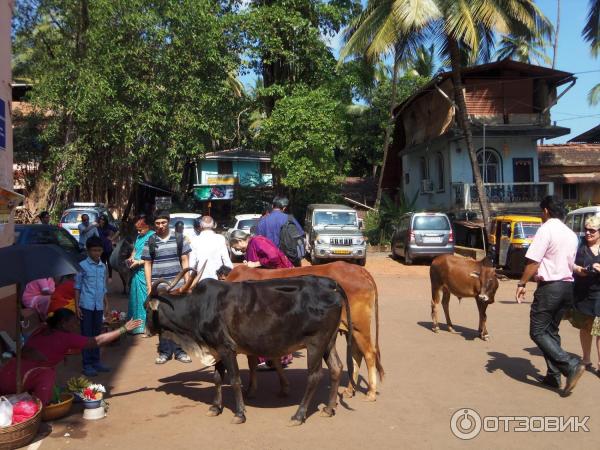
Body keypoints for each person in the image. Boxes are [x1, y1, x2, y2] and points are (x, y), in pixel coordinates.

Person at [515, 196, 585, 395]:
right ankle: (553, 377)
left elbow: (533, 261)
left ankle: (569, 365)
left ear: (545, 211)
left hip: (550, 287)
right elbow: (570, 263)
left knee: (537, 331)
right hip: (566, 287)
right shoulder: (571, 234)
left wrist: (521, 283)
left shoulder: (546, 230)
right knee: (551, 331)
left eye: (541, 212)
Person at [0, 308, 142, 405]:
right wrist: (123, 329)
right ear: (63, 324)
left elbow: (36, 350)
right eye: (73, 322)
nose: (76, 325)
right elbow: (96, 341)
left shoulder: (42, 328)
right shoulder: (65, 337)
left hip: (8, 371)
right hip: (18, 380)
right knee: (44, 389)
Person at [229, 229, 293, 369]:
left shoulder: (257, 241)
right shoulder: (252, 244)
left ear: (240, 241)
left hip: (280, 281)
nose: (237, 250)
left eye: (236, 247)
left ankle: (277, 357)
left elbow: (274, 257)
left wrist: (255, 264)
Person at [142, 211, 192, 364]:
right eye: (157, 223)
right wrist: (150, 287)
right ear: (154, 224)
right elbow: (147, 264)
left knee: (179, 319)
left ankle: (180, 351)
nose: (160, 226)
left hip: (178, 287)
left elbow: (185, 261)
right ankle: (164, 352)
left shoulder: (179, 238)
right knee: (161, 321)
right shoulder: (150, 241)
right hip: (159, 289)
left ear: (168, 222)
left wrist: (188, 283)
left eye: (163, 222)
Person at [75, 236, 110, 377]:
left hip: (98, 306)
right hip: (86, 305)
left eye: (99, 250)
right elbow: (77, 287)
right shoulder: (82, 266)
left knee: (97, 334)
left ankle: (96, 361)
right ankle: (87, 364)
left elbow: (103, 287)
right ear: (88, 251)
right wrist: (77, 306)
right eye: (94, 250)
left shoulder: (103, 266)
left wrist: (106, 303)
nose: (97, 253)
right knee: (86, 335)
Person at [571, 215, 600, 376]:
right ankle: (586, 359)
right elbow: (571, 263)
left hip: (599, 294)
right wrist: (578, 270)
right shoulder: (580, 246)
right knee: (586, 327)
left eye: (592, 230)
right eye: (586, 230)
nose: (588, 233)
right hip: (583, 294)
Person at [126, 214, 155, 335]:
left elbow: (153, 257)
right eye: (137, 230)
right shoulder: (139, 237)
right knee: (135, 298)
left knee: (144, 298)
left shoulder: (152, 236)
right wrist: (131, 259)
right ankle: (134, 325)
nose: (139, 232)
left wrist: (138, 262)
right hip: (136, 272)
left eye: (141, 229)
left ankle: (146, 326)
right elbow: (135, 251)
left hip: (145, 271)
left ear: (147, 227)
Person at [256, 196, 304, 266]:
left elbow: (258, 242)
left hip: (270, 261)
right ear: (284, 208)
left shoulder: (262, 221)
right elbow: (300, 235)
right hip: (288, 260)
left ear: (272, 206)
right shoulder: (289, 219)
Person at [189, 216, 232, 281]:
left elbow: (192, 263)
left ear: (201, 225)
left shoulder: (194, 240)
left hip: (201, 279)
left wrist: (191, 279)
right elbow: (226, 260)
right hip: (217, 279)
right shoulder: (220, 238)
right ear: (214, 225)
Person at [97, 215, 118, 281]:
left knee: (109, 262)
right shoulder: (97, 227)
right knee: (102, 262)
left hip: (108, 245)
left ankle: (110, 276)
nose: (101, 221)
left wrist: (112, 239)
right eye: (100, 219)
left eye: (103, 219)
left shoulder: (108, 226)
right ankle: (102, 276)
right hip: (100, 246)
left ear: (105, 220)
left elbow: (118, 231)